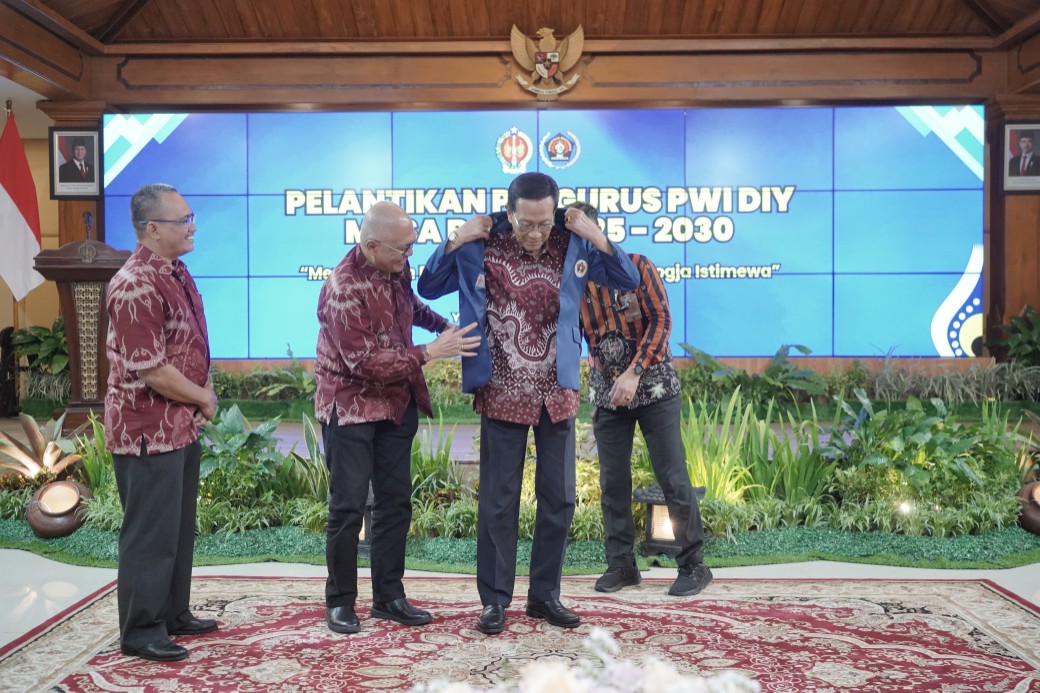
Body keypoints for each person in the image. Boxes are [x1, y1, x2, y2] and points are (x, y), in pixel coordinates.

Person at [417, 172, 639, 635]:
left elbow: (627, 278)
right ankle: (494, 602)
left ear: (555, 213)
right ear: (510, 213)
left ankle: (544, 596)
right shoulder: (483, 242)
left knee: (559, 500)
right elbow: (429, 285)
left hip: (557, 392)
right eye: (526, 224)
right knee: (498, 503)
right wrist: (456, 238)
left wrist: (596, 235)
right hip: (501, 391)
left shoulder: (572, 242)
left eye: (543, 223)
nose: (535, 233)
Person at [315, 200, 481, 635]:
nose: (409, 256)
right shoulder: (342, 287)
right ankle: (340, 601)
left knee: (395, 504)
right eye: (402, 249)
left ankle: (389, 597)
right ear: (371, 245)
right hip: (351, 407)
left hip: (395, 405)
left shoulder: (395, 267)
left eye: (412, 246)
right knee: (348, 508)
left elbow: (410, 305)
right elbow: (364, 363)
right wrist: (430, 352)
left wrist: (443, 327)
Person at [571, 201, 712, 598]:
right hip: (608, 395)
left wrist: (633, 373)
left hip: (653, 387)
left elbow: (662, 320)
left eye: (585, 236)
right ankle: (622, 566)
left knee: (671, 476)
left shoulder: (637, 266)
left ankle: (694, 565)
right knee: (612, 482)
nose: (579, 247)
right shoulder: (574, 284)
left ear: (599, 233)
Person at [105, 183, 218, 662]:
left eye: (191, 218)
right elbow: (150, 368)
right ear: (153, 229)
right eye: (183, 220)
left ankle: (172, 613)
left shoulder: (174, 272)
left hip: (178, 425)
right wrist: (203, 397)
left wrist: (197, 399)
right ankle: (141, 630)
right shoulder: (135, 284)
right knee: (150, 532)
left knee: (175, 528)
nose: (192, 227)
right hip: (146, 429)